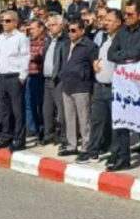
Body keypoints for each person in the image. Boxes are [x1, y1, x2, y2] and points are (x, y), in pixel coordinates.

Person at [106, 0, 140, 173]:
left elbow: (138, 53)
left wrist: (124, 56)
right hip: (123, 84)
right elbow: (111, 54)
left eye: (130, 14)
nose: (126, 17)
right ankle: (124, 159)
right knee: (122, 122)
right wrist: (127, 58)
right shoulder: (122, 32)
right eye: (125, 14)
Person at [77, 9, 122, 164]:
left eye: (109, 20)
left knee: (115, 124)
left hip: (114, 87)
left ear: (118, 22)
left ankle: (115, 154)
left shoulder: (122, 41)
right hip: (100, 86)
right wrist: (95, 63)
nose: (105, 23)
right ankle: (93, 151)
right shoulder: (105, 39)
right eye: (105, 20)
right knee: (97, 121)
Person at [0, 11, 30, 152]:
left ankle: (19, 140)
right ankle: (6, 137)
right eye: (3, 20)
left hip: (15, 77)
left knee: (17, 110)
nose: (4, 23)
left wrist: (22, 76)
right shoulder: (0, 38)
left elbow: (25, 56)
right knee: (4, 110)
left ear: (15, 22)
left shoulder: (21, 37)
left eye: (8, 21)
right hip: (2, 77)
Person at [58, 20, 98, 156]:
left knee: (84, 118)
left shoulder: (89, 46)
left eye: (74, 30)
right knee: (69, 118)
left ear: (82, 31)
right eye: (69, 30)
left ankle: (86, 145)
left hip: (82, 87)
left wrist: (86, 77)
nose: (70, 33)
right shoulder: (66, 45)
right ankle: (71, 145)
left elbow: (95, 65)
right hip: (67, 85)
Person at [42, 14, 68, 146]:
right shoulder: (49, 40)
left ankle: (64, 136)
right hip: (47, 80)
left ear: (61, 25)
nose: (50, 27)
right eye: (49, 25)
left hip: (58, 80)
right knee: (47, 109)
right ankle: (49, 134)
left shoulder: (64, 41)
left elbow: (63, 61)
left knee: (62, 111)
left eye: (52, 25)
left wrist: (59, 76)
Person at [26, 19, 47, 142]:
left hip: (39, 75)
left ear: (41, 28)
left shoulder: (46, 41)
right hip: (28, 75)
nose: (31, 31)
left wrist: (29, 56)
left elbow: (39, 57)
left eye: (33, 28)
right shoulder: (28, 41)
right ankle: (33, 129)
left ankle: (42, 129)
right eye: (30, 29)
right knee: (29, 104)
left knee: (39, 105)